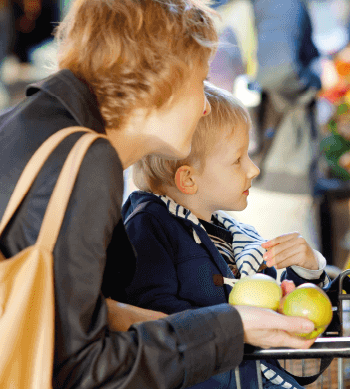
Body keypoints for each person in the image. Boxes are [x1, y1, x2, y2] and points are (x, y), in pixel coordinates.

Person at [0, 1, 315, 388]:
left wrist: (236, 327)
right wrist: (227, 328)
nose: (204, 107)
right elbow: (83, 370)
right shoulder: (85, 159)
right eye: (199, 82)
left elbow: (76, 313)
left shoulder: (30, 123)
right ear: (158, 79)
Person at [124, 83, 329, 389]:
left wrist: (307, 269)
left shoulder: (232, 234)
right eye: (238, 160)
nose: (254, 169)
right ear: (189, 178)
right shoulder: (149, 228)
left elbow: (284, 316)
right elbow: (157, 325)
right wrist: (235, 323)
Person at [249, 0, 322, 248]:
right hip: (276, 169)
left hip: (264, 165)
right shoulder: (282, 3)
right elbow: (278, 71)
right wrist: (314, 82)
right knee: (295, 280)